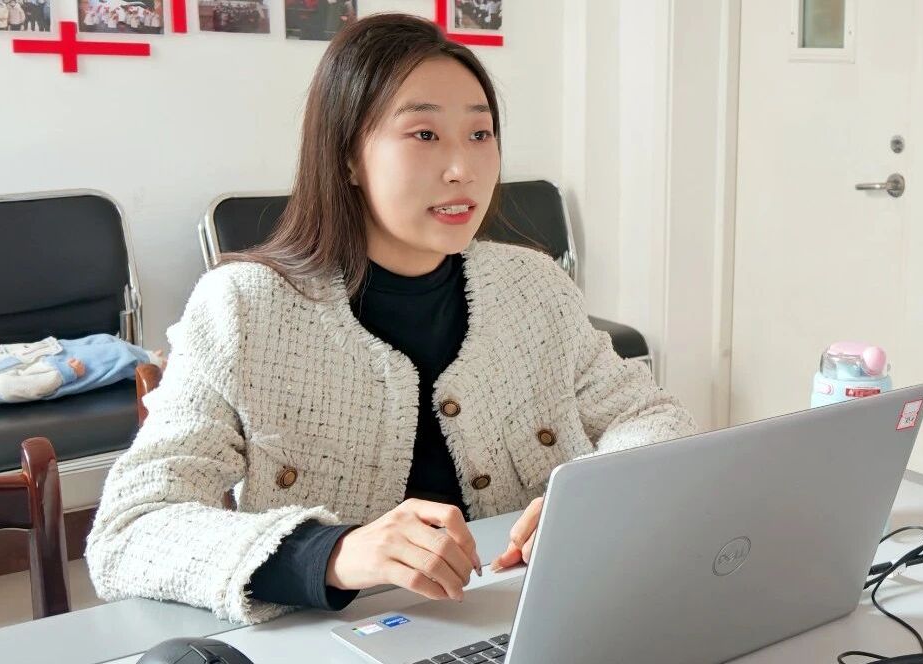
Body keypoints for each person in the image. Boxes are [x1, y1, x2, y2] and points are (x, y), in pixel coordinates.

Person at [85, 13, 696, 625]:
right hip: (342, 636)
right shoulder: (244, 307)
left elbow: (651, 417)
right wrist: (333, 552)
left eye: (480, 133)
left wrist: (592, 492)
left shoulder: (533, 286)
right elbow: (130, 530)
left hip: (537, 619)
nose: (462, 168)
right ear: (348, 157)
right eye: (424, 134)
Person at [0, 334, 165, 405]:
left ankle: (146, 355)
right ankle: (154, 366)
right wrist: (65, 372)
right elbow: (31, 385)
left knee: (105, 340)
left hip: (54, 350)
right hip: (64, 367)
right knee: (111, 357)